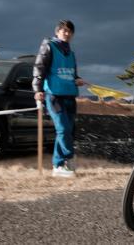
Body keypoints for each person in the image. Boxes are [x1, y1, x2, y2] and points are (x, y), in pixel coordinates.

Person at [33, 20, 86, 177]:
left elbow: (72, 73)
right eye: (64, 30)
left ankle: (58, 165)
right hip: (54, 96)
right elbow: (39, 68)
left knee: (67, 131)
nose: (67, 34)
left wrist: (77, 79)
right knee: (63, 129)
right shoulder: (49, 46)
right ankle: (68, 159)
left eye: (70, 31)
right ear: (57, 32)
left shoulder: (71, 53)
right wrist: (37, 89)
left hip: (70, 95)